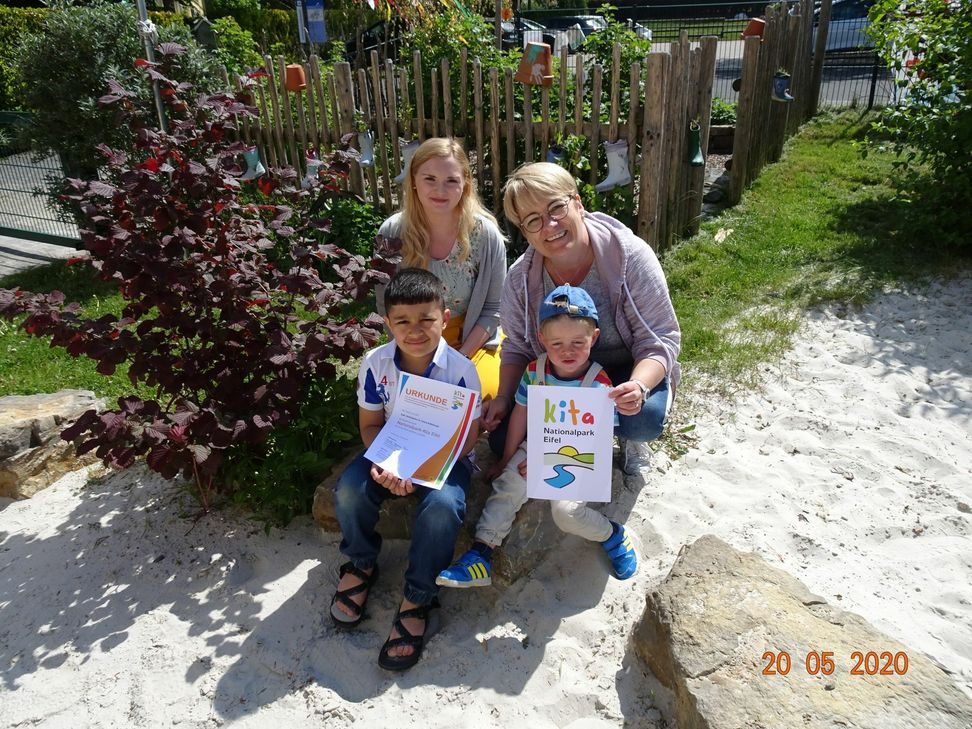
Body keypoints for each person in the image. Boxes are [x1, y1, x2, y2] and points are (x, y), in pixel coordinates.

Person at [481, 162, 680, 478]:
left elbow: (661, 338)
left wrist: (639, 385)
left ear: (578, 202)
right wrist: (505, 397)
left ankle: (630, 438)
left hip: (623, 369)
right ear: (524, 231)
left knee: (642, 420)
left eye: (556, 207)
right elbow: (517, 348)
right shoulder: (519, 279)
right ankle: (573, 435)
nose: (549, 225)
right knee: (501, 439)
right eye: (533, 220)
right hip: (559, 373)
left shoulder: (629, 256)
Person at [330, 268, 481, 672]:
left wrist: (425, 471)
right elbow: (369, 425)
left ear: (445, 319)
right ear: (387, 323)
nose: (416, 330)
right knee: (348, 490)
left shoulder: (462, 369)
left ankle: (418, 594)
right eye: (403, 321)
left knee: (444, 506)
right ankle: (360, 562)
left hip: (445, 457)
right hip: (389, 451)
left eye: (427, 320)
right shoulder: (375, 363)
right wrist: (385, 464)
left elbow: (467, 436)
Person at [436, 285, 638, 588]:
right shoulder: (535, 370)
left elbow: (599, 438)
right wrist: (506, 458)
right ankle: (480, 554)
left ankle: (612, 534)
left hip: (581, 453)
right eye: (556, 343)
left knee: (566, 512)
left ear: (594, 338)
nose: (566, 351)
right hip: (539, 443)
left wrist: (551, 461)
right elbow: (521, 412)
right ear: (542, 339)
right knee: (508, 485)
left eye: (577, 342)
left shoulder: (599, 382)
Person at [376, 137, 506, 399]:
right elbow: (383, 305)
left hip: (472, 340)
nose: (440, 190)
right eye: (430, 179)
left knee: (473, 395)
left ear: (465, 185)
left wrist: (457, 360)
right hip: (413, 339)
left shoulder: (485, 235)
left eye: (451, 181)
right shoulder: (392, 232)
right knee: (410, 400)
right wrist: (416, 353)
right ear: (413, 180)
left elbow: (494, 310)